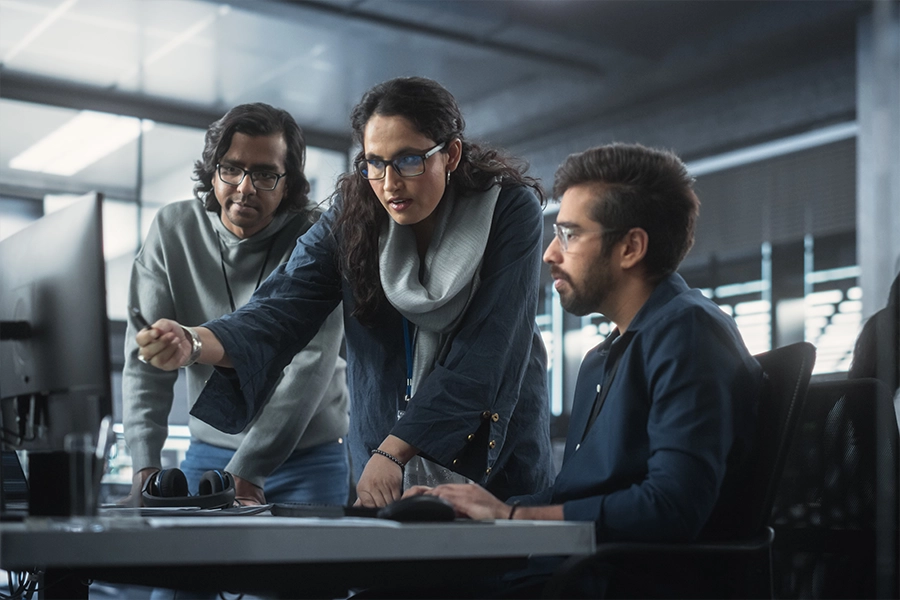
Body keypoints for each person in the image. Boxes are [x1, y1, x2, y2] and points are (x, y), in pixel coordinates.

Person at [135, 77, 553, 507]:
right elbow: (280, 307)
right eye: (374, 162)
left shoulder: (508, 210)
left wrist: (397, 448)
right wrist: (194, 342)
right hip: (381, 459)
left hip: (488, 458)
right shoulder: (353, 214)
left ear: (450, 155)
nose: (389, 183)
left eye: (409, 160)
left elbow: (486, 352)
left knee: (496, 572)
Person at [404, 143, 763, 597]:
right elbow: (575, 495)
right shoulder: (604, 357)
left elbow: (671, 507)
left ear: (630, 247)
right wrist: (480, 506)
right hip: (579, 573)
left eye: (570, 235)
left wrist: (512, 517)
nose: (550, 254)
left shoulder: (689, 331)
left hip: (618, 582)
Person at [123, 102, 350, 507]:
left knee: (309, 571)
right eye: (231, 168)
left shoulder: (318, 236)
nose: (245, 187)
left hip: (309, 456)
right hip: (210, 453)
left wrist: (250, 470)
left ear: (288, 183)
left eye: (264, 174)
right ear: (213, 171)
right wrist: (145, 469)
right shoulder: (173, 229)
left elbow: (310, 364)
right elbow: (146, 357)